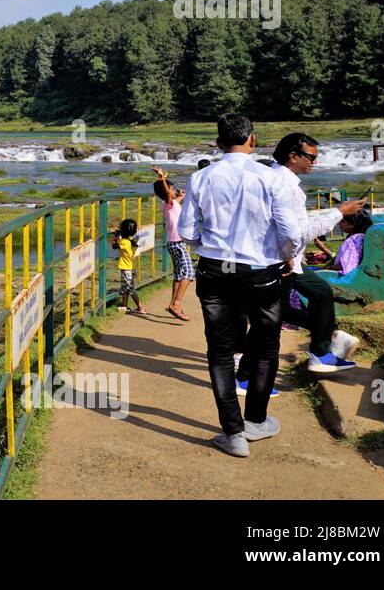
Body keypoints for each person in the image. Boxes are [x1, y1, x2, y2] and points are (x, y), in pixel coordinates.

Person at [178, 114, 303, 458]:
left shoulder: (201, 177)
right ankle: (257, 421)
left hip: (215, 272)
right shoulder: (271, 177)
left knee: (219, 352)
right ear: (253, 139)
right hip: (262, 272)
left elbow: (187, 231)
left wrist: (213, 243)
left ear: (218, 143)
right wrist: (288, 256)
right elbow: (290, 232)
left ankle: (233, 433)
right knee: (265, 345)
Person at [264, 133, 365, 375]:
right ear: (293, 156)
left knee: (312, 297)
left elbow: (298, 225)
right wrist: (340, 212)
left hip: (288, 258)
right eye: (311, 157)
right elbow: (299, 233)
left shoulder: (279, 179)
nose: (314, 163)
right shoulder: (286, 186)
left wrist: (335, 212)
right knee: (275, 314)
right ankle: (246, 368)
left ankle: (322, 347)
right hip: (284, 258)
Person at [152, 166, 193, 320]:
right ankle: (176, 304)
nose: (174, 190)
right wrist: (162, 178)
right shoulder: (167, 201)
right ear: (166, 191)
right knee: (189, 273)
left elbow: (175, 201)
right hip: (177, 242)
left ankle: (173, 304)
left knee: (178, 275)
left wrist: (181, 196)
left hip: (173, 242)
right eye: (172, 188)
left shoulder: (171, 203)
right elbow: (169, 195)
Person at [111, 218, 144, 314]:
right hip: (130, 268)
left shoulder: (124, 242)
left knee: (130, 289)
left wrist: (116, 238)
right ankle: (124, 306)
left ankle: (140, 307)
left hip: (126, 269)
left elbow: (114, 246)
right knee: (125, 288)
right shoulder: (132, 241)